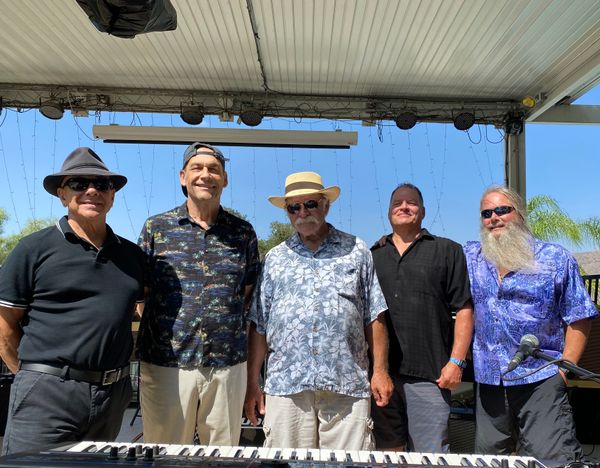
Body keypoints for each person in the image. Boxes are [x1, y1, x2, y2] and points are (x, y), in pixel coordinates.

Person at [0, 147, 144, 455]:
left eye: (102, 184)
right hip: (46, 394)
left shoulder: (133, 257)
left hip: (112, 396)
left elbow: (147, 312)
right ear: (62, 194)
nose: (92, 190)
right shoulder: (33, 249)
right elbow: (4, 325)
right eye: (79, 183)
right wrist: (32, 379)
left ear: (112, 195)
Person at [244, 171, 393, 450]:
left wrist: (380, 371)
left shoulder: (357, 250)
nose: (303, 213)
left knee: (349, 465)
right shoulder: (274, 258)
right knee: (286, 465)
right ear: (287, 212)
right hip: (286, 387)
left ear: (326, 205)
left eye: (310, 204)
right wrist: (253, 383)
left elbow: (374, 315)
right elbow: (259, 325)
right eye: (294, 207)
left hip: (347, 386)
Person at [136, 142, 260, 445]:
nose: (206, 175)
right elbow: (142, 294)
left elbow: (246, 294)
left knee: (223, 456)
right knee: (165, 454)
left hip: (226, 365)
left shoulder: (243, 233)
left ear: (224, 179)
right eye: (197, 168)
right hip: (167, 365)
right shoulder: (157, 228)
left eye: (214, 169)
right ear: (183, 176)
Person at [464, 186, 597, 463]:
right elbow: (434, 255)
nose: (494, 218)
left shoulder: (555, 258)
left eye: (502, 210)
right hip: (490, 380)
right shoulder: (472, 258)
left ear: (520, 213)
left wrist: (564, 370)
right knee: (489, 462)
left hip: (540, 377)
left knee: (552, 460)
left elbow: (579, 316)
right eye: (487, 213)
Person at [370, 183, 473, 453]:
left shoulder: (448, 251)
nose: (404, 207)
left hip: (430, 376)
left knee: (430, 457)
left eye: (411, 203)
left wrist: (456, 362)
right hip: (381, 377)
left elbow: (464, 308)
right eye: (397, 203)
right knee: (386, 455)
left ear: (423, 211)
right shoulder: (372, 256)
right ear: (389, 212)